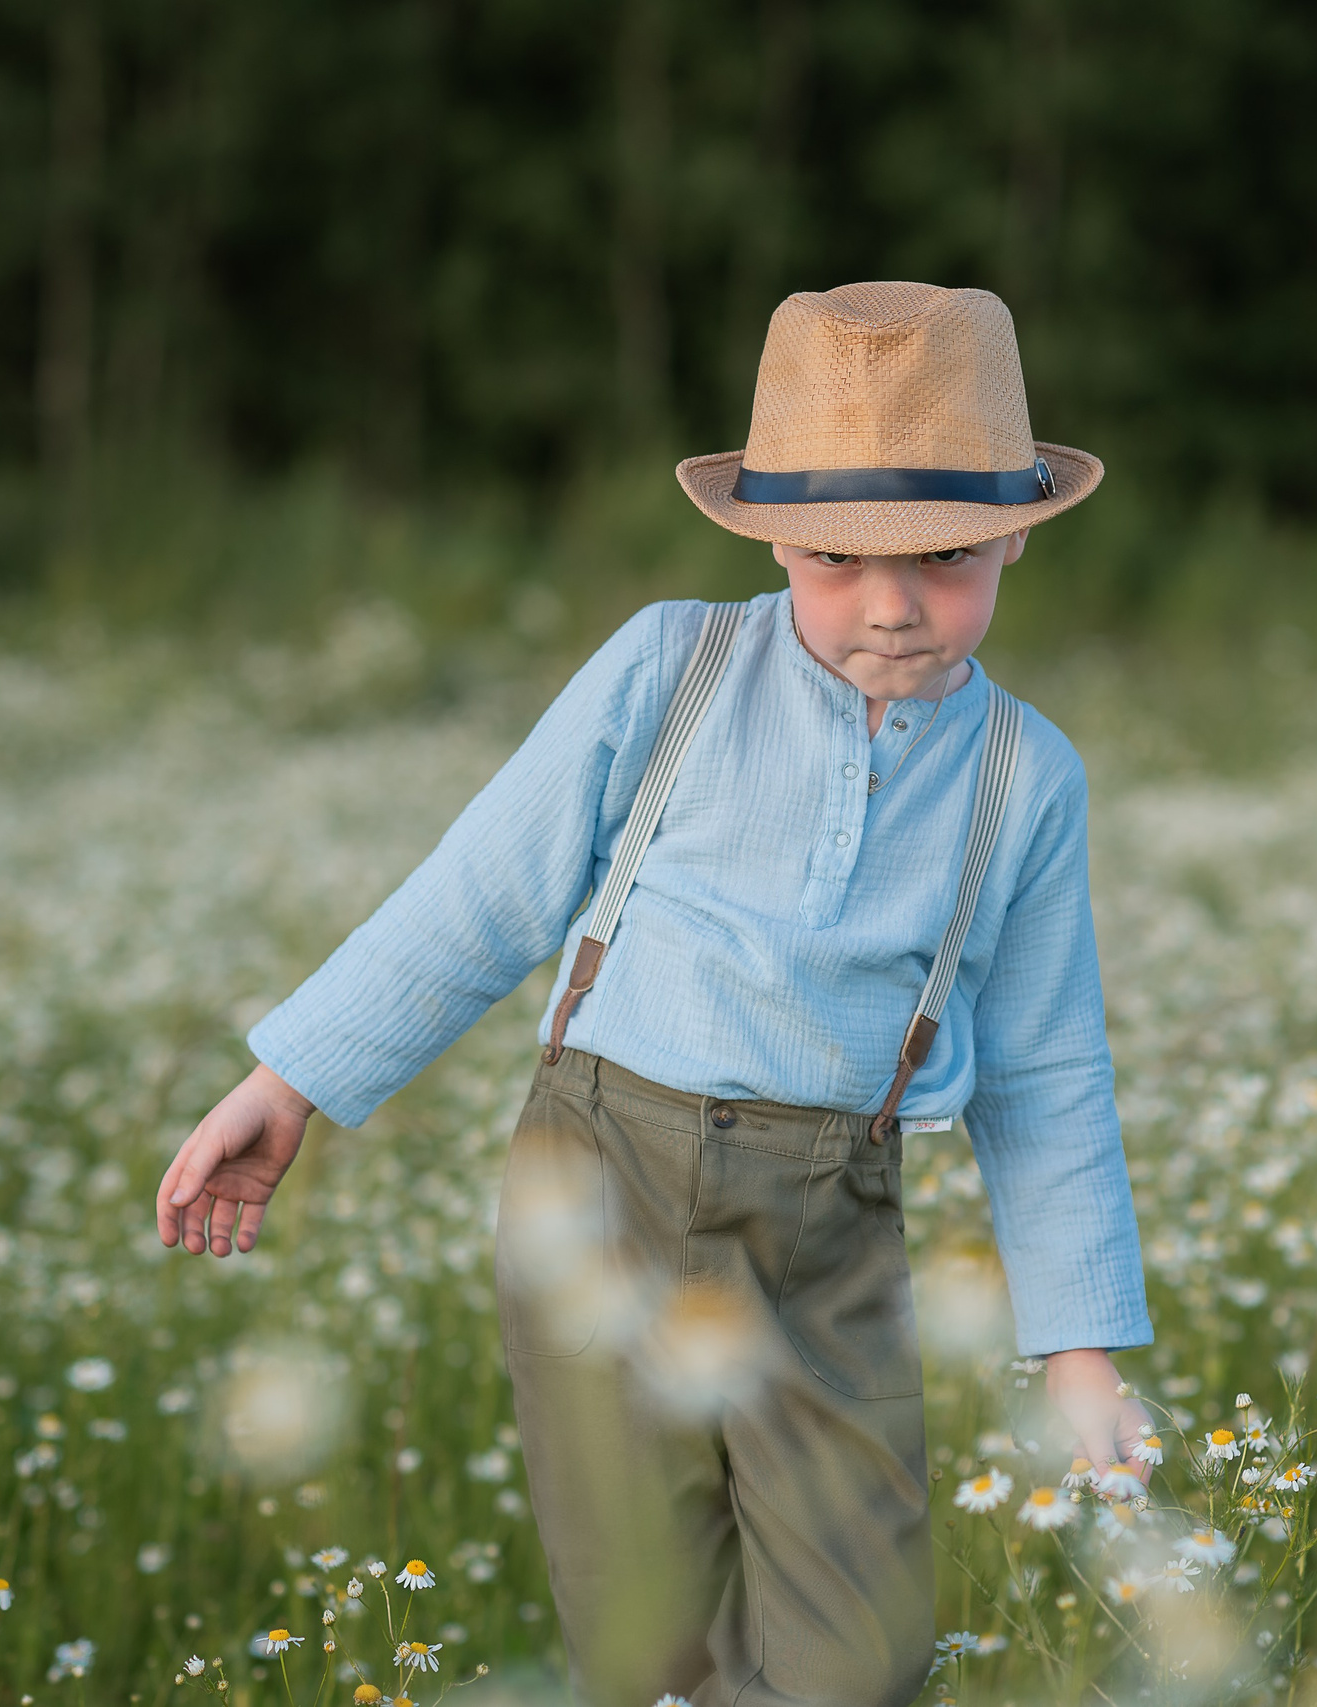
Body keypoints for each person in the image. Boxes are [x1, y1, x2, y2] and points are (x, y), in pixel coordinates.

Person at [154, 281, 1154, 1707]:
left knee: (860, 1656)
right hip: (602, 1187)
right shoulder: (671, 667)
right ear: (770, 539)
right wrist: (291, 1080)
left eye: (943, 556)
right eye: (833, 558)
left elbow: (1049, 1078)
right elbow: (479, 894)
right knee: (648, 1640)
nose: (890, 605)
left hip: (832, 1231)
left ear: (1014, 534)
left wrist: (1080, 1357)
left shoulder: (1024, 775)